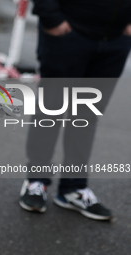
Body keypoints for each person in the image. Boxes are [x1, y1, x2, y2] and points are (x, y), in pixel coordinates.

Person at [19, 0, 131, 220]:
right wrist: (52, 19)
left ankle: (73, 188)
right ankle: (36, 181)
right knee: (51, 109)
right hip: (68, 33)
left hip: (116, 39)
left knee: (86, 116)